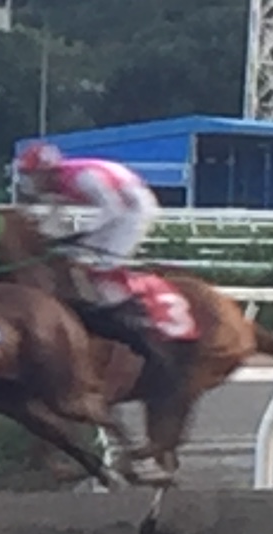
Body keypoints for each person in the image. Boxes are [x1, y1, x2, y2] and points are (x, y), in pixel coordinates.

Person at [11, 139, 175, 365]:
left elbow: (113, 210)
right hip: (119, 208)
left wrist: (78, 234)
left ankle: (130, 315)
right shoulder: (54, 183)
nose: (28, 181)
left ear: (46, 172)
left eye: (31, 175)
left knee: (100, 265)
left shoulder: (83, 177)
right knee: (72, 257)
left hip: (133, 212)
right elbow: (54, 218)